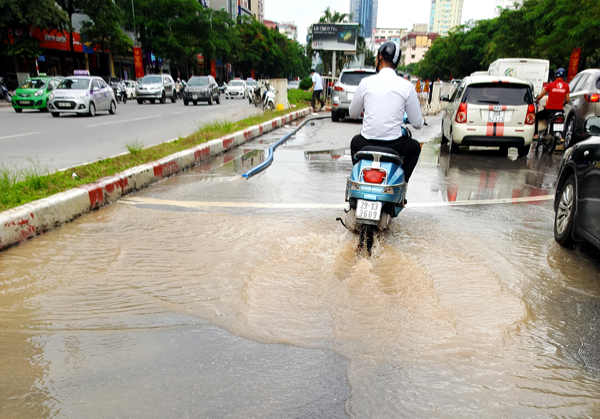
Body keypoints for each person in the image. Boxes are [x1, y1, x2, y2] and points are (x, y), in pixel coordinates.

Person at [348, 41, 425, 183]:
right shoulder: (406, 86)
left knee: (354, 142)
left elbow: (353, 113)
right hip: (393, 144)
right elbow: (417, 123)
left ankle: (359, 179)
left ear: (381, 58)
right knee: (414, 148)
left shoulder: (366, 83)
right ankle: (401, 184)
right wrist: (421, 122)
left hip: (365, 142)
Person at [534, 68, 570, 136]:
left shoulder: (550, 85)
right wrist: (562, 104)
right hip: (560, 111)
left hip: (549, 111)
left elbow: (540, 96)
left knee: (536, 116)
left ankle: (535, 134)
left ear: (555, 76)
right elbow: (567, 100)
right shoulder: (566, 86)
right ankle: (560, 135)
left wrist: (536, 100)